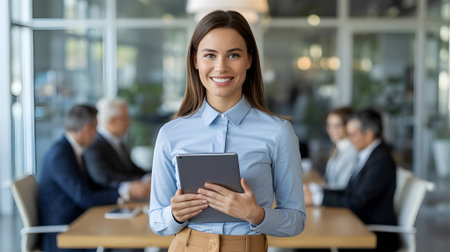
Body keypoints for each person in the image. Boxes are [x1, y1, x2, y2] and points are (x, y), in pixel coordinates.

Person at [149, 10, 306, 252]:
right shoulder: (171, 133)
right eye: (210, 55)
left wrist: (256, 215)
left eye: (233, 55)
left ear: (249, 60)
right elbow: (156, 221)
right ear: (195, 60)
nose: (220, 67)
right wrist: (174, 214)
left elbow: (296, 220)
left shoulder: (278, 132)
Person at [38, 104, 150, 252]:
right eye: (95, 128)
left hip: (80, 225)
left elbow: (93, 186)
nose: (97, 133)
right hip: (66, 234)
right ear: (86, 129)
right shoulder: (60, 155)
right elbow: (84, 197)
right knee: (129, 247)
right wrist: (125, 192)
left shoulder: (73, 150)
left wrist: (125, 189)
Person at [304, 108, 399, 251]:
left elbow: (358, 201)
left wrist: (318, 199)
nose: (348, 139)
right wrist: (319, 192)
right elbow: (351, 191)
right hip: (361, 224)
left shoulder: (380, 161)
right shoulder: (370, 155)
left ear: (368, 134)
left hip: (373, 234)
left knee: (311, 244)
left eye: (352, 135)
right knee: (310, 243)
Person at [83, 97, 150, 197]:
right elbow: (105, 178)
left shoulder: (120, 142)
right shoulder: (94, 145)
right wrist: (142, 181)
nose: (129, 122)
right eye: (125, 118)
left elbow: (131, 169)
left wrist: (149, 176)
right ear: (112, 121)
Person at [323, 106, 358, 189]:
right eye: (329, 126)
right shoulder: (337, 148)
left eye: (337, 126)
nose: (331, 130)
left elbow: (342, 187)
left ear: (348, 126)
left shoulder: (352, 152)